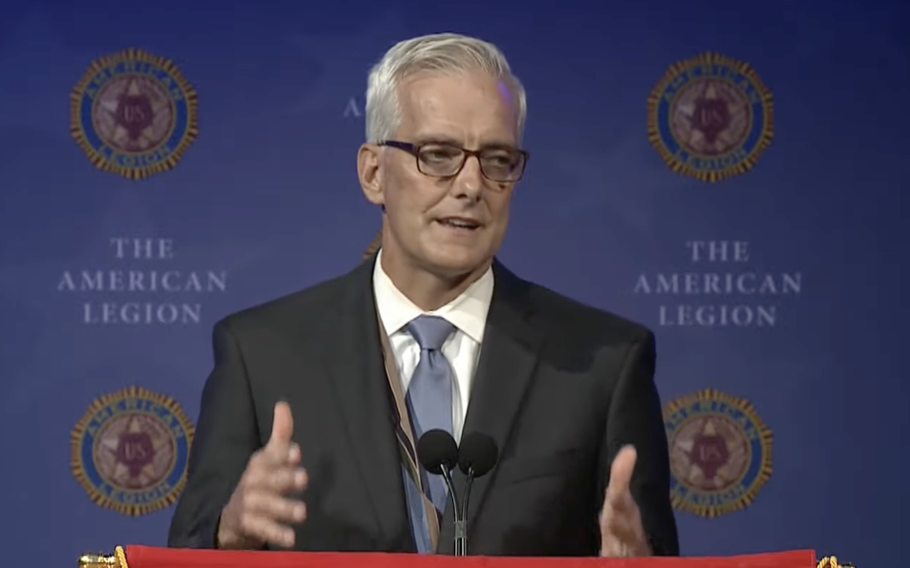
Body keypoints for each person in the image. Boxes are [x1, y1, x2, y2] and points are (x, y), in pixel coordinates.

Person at [167, 32, 679, 557]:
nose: (471, 185)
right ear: (372, 172)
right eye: (438, 154)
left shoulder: (603, 364)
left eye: (497, 160)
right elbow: (185, 550)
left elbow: (649, 547)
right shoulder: (261, 354)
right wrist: (230, 531)